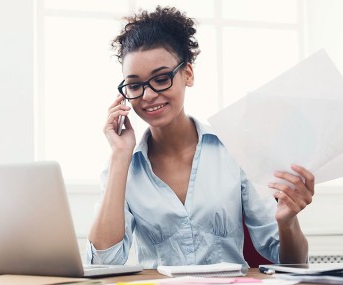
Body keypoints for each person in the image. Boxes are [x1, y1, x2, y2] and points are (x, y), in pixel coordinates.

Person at [86, 6, 314, 269]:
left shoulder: (235, 149)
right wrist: (119, 156)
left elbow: (293, 265)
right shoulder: (121, 167)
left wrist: (287, 222)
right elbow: (103, 264)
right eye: (135, 85)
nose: (147, 95)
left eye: (161, 79)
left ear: (188, 74)